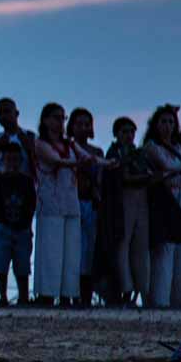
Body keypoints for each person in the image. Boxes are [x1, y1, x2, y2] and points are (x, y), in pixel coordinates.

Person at [32, 103, 110, 306]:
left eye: (62, 118)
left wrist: (108, 163)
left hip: (70, 203)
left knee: (71, 252)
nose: (59, 122)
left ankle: (68, 293)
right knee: (51, 250)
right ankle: (47, 294)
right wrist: (80, 164)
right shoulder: (40, 143)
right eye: (56, 117)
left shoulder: (70, 144)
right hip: (49, 204)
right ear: (45, 120)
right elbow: (55, 161)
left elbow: (89, 158)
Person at [143, 105, 181, 309]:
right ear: (155, 125)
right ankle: (160, 299)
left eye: (171, 122)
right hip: (162, 199)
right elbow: (165, 168)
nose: (167, 126)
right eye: (163, 122)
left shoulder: (180, 147)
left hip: (180, 197)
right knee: (163, 248)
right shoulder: (151, 146)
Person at [106, 117, 152, 306]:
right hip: (122, 202)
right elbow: (123, 177)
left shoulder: (139, 153)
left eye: (131, 132)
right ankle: (126, 290)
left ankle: (143, 291)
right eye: (124, 132)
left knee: (141, 249)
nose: (128, 135)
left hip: (141, 202)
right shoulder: (114, 152)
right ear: (116, 134)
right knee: (122, 248)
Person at [0, 142, 36, 306]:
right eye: (8, 159)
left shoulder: (26, 181)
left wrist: (26, 222)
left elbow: (32, 203)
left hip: (22, 228)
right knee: (0, 264)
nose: (12, 163)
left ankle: (23, 296)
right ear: (3, 160)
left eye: (15, 159)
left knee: (22, 265)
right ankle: (2, 296)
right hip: (3, 226)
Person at [68, 108, 106, 306]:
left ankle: (86, 295)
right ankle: (72, 294)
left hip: (91, 204)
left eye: (86, 123)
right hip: (72, 202)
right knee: (74, 250)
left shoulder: (97, 152)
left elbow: (100, 180)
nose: (83, 127)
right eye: (79, 123)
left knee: (89, 252)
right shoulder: (68, 148)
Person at [0, 98, 36, 176]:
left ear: (16, 113)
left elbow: (41, 171)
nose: (3, 116)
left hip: (26, 186)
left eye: (7, 111)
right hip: (0, 186)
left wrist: (29, 150)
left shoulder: (31, 137)